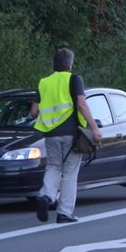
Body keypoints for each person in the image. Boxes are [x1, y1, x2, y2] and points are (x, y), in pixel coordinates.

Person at [29, 48, 102, 224]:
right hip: (70, 135)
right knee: (70, 172)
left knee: (53, 166)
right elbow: (81, 105)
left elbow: (33, 111)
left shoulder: (44, 82)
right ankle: (64, 213)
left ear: (54, 63)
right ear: (70, 63)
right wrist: (94, 128)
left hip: (50, 134)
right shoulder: (74, 79)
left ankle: (46, 196)